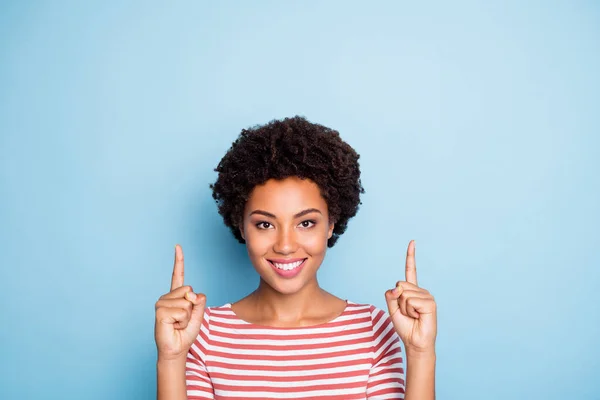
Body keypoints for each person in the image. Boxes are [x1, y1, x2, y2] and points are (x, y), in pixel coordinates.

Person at [155, 116, 437, 399]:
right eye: (265, 224)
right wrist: (170, 358)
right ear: (241, 226)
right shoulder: (204, 334)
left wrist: (420, 352)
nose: (286, 246)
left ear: (330, 224)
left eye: (306, 223)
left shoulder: (373, 329)